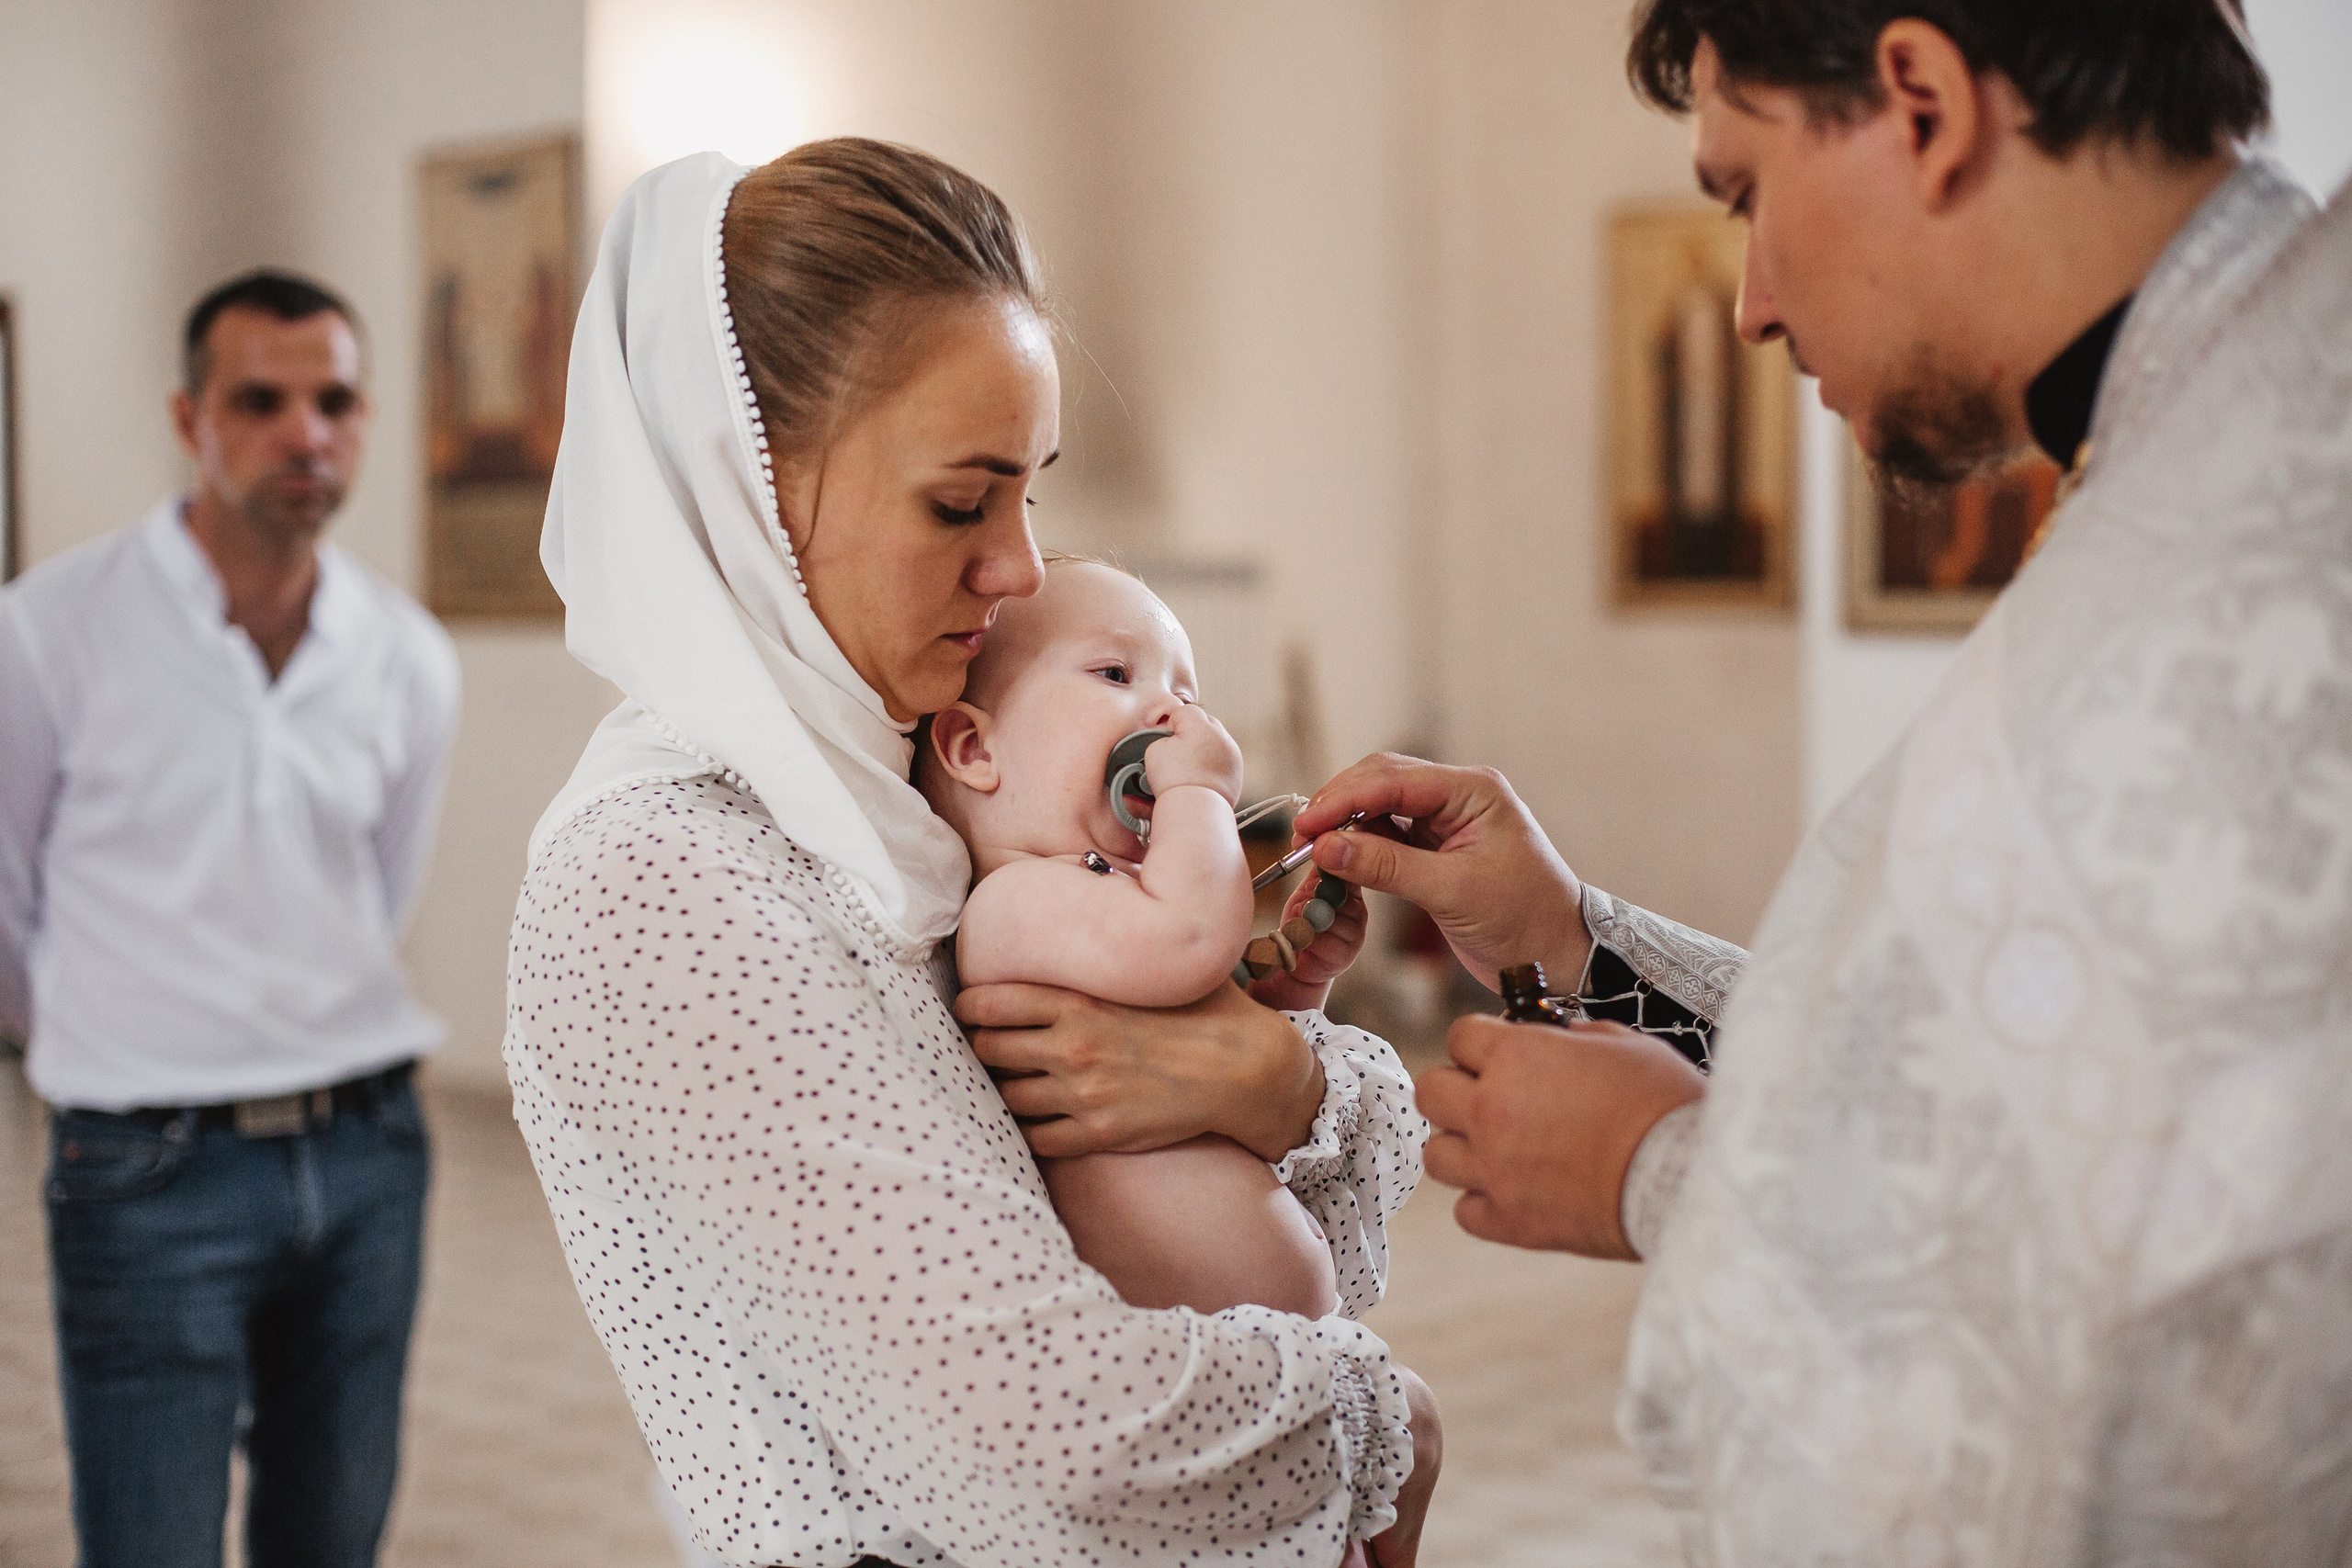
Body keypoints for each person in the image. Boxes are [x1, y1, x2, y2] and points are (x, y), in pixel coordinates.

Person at [1284, 0, 2352, 1560]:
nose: (1749, 308)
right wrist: (1577, 945)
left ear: (1920, 100)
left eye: (1744, 192)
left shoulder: (2202, 606)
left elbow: (2123, 1401)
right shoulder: (2246, 427)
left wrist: (1658, 1173)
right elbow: (1986, 1098)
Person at [506, 140, 1440, 1568]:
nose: (1018, 568)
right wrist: (1382, 1422)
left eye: (1032, 495)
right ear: (748, 491)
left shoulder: (895, 796)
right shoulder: (662, 874)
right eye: (962, 501)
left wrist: (1281, 1068)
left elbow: (1146, 1213)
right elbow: (1055, 1440)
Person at [0, 270, 459, 1568]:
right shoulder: (46, 634)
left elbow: (380, 891)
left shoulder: (407, 653)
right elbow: (6, 907)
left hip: (368, 1148)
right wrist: (121, 1038)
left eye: (336, 400)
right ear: (190, 417)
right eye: (262, 400)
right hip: (146, 1172)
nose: (306, 433)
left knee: (333, 1537)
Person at [917, 557, 1389, 1323]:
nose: (1171, 712)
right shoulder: (1012, 903)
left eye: (1186, 694)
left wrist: (1290, 988)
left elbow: (1201, 1025)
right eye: (1113, 673)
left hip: (1272, 1342)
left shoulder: (1109, 897)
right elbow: (1192, 938)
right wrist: (1198, 790)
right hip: (1179, 1352)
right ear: (976, 750)